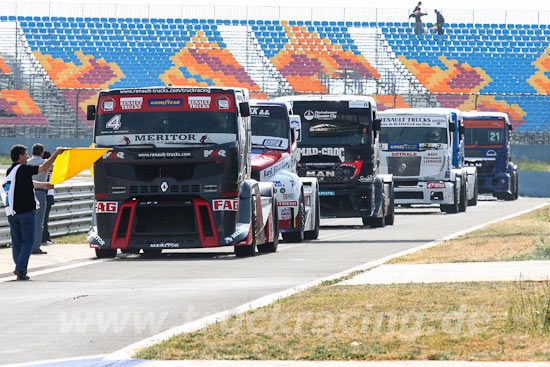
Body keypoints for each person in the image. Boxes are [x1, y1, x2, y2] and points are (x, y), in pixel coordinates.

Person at [1, 145, 65, 280]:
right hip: (25, 212)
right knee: (28, 241)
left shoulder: (11, 171)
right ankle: (20, 268)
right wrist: (56, 154)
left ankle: (19, 267)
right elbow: (43, 168)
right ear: (19, 156)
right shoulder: (24, 169)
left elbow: (30, 183)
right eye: (25, 154)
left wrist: (44, 185)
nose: (27, 157)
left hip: (12, 212)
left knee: (17, 242)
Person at [27, 143, 48, 255]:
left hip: (27, 193)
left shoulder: (27, 162)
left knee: (27, 220)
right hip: (40, 192)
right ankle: (35, 247)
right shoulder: (44, 162)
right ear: (42, 152)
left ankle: (27, 245)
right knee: (38, 221)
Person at [41, 150, 55, 246]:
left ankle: (45, 237)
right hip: (47, 194)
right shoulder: (50, 168)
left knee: (44, 219)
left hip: (46, 194)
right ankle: (44, 238)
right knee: (44, 219)